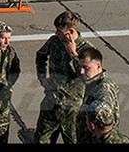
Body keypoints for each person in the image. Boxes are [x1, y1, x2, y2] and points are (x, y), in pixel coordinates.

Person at [33, 10, 92, 144]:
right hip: (52, 102)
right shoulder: (55, 41)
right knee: (41, 139)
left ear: (71, 32)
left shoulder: (87, 50)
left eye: (60, 31)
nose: (56, 33)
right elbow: (41, 55)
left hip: (72, 108)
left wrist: (73, 55)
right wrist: (42, 77)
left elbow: (88, 75)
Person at [76, 46, 129, 144]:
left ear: (98, 66)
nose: (81, 71)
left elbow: (105, 113)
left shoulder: (104, 88)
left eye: (86, 68)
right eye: (80, 67)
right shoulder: (91, 82)